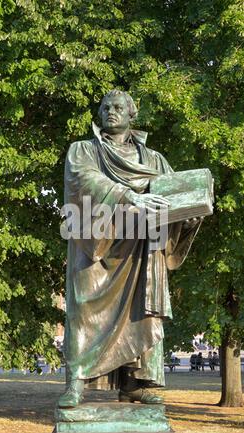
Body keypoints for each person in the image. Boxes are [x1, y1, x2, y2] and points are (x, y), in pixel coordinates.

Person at [58, 90, 203, 408]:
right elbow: (83, 181)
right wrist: (131, 197)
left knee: (141, 313)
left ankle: (133, 384)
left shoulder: (154, 160)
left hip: (141, 250)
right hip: (95, 244)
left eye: (118, 107)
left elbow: (174, 201)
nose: (111, 111)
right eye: (105, 107)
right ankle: (76, 382)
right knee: (83, 310)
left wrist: (189, 219)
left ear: (131, 114)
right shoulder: (83, 150)